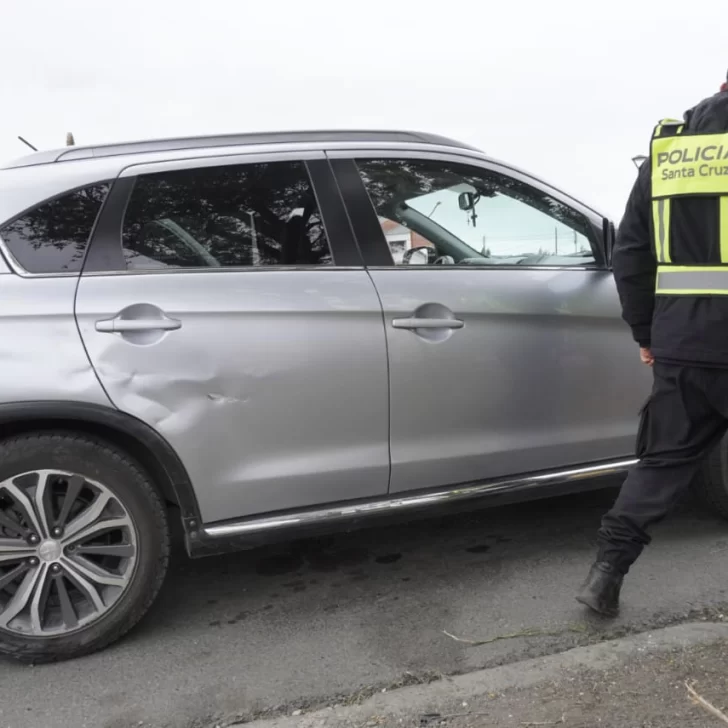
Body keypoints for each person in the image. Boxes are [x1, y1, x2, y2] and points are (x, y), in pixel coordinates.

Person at [577, 71, 728, 617]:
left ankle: (605, 575)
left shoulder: (671, 150)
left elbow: (632, 252)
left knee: (663, 462)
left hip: (684, 340)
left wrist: (646, 331)